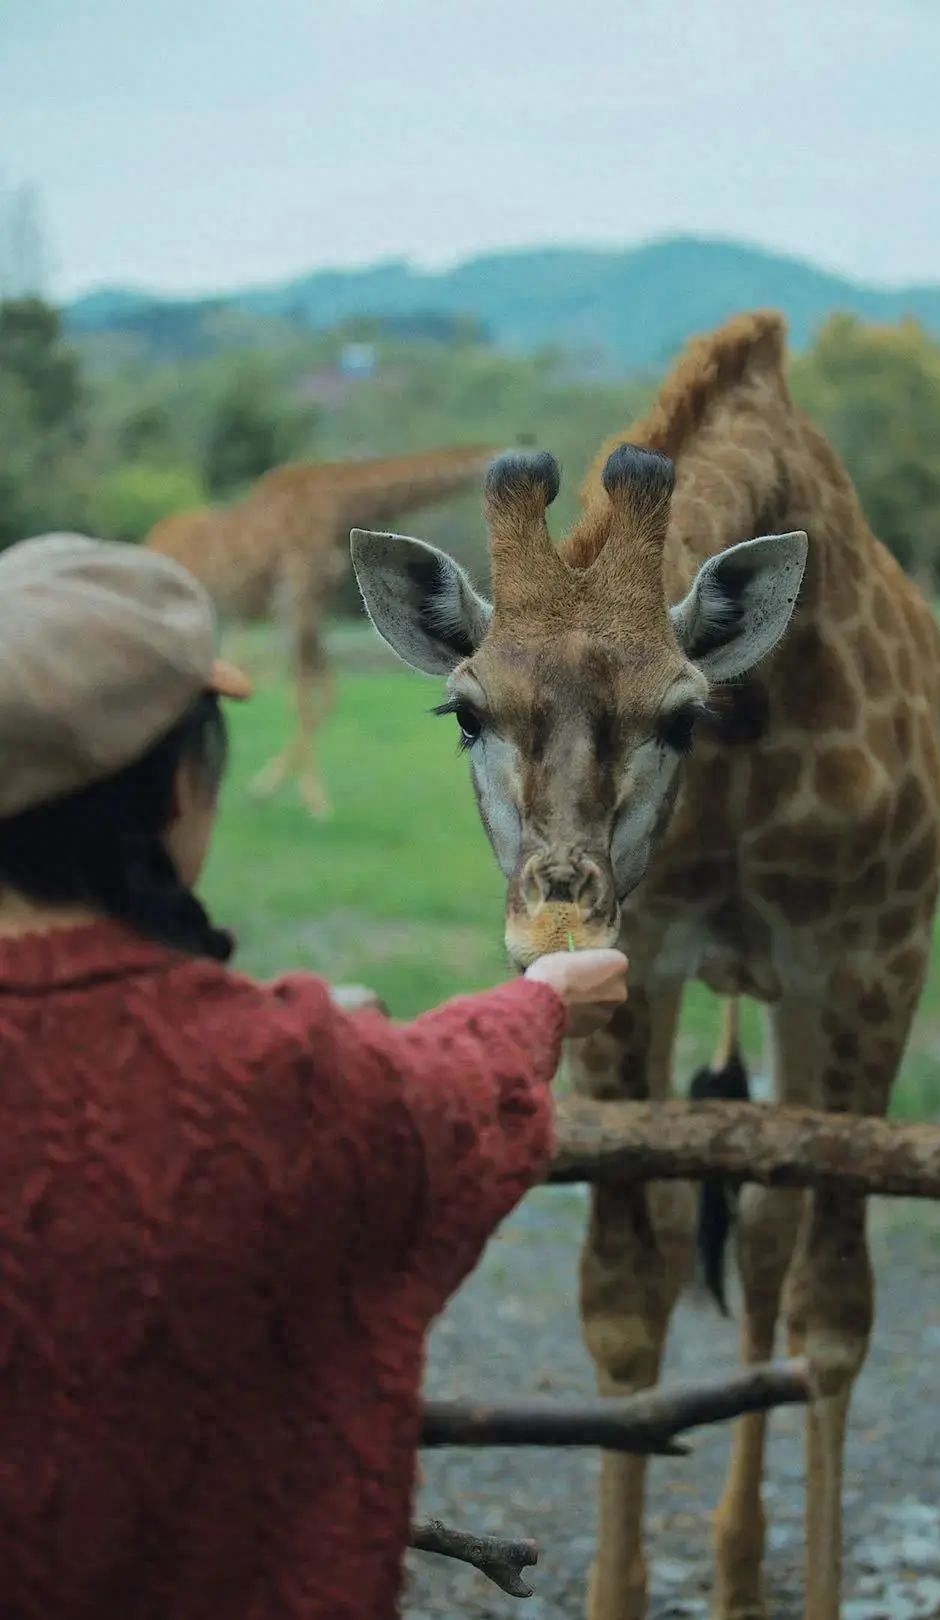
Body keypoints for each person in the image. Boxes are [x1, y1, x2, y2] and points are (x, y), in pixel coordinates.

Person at [0, 532, 629, 1620]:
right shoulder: (280, 1075)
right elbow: (440, 1098)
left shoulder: (280, 1062)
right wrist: (543, 1000)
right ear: (182, 790)